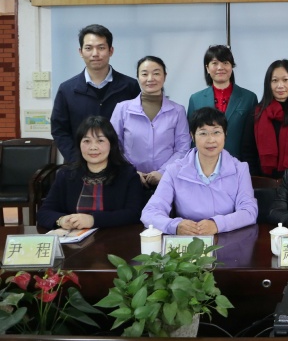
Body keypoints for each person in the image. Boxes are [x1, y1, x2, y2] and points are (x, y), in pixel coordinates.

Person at [141, 107, 258, 235]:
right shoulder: (174, 170)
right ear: (192, 136)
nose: (211, 140)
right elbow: (150, 212)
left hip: (227, 238)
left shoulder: (240, 169)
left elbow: (249, 211)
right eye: (203, 133)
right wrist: (175, 226)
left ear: (225, 134)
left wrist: (217, 225)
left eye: (216, 132)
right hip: (188, 239)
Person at [51, 24, 140, 162]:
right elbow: (59, 130)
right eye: (88, 48)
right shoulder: (67, 89)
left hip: (120, 164)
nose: (95, 54)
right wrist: (77, 160)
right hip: (79, 165)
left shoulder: (130, 86)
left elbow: (138, 128)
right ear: (80, 52)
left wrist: (124, 159)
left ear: (111, 51)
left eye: (101, 47)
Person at [38, 116, 143, 230]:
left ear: (111, 144)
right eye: (87, 141)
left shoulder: (128, 175)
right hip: (74, 238)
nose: (93, 147)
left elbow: (134, 214)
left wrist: (93, 220)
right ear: (79, 144)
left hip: (112, 237)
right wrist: (61, 220)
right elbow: (44, 212)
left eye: (100, 141)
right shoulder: (66, 175)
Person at [111, 56, 190, 188]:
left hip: (167, 181)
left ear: (164, 76)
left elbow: (183, 148)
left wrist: (163, 172)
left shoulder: (177, 111)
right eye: (144, 74)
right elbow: (113, 146)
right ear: (138, 77)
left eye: (156, 73)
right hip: (128, 180)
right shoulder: (122, 109)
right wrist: (131, 172)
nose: (150, 78)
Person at [240, 60, 288, 177]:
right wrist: (256, 180)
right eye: (274, 80)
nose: (280, 86)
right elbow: (248, 152)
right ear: (268, 84)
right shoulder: (255, 114)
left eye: (285, 80)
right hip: (263, 182)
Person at [187, 45, 257, 160]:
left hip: (238, 162)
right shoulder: (196, 99)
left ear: (231, 66)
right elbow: (192, 138)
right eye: (214, 63)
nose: (220, 67)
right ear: (207, 68)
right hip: (205, 163)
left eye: (225, 63)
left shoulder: (249, 98)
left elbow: (252, 138)